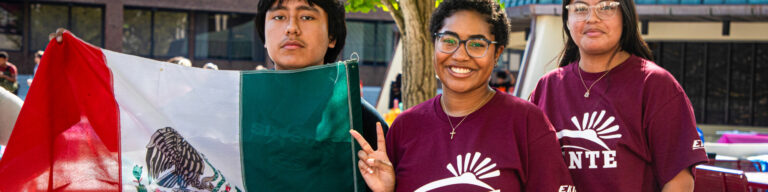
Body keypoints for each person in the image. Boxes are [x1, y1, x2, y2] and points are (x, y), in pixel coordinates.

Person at [350, 1, 575, 191]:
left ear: (497, 53)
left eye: (477, 44)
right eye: (448, 41)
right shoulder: (404, 127)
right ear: (434, 45)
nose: (460, 55)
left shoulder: (527, 123)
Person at [528, 0, 708, 191]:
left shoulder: (655, 85)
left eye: (605, 7)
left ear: (625, 16)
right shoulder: (547, 88)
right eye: (580, 8)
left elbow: (679, 182)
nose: (592, 18)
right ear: (567, 19)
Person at [255, 0, 388, 148]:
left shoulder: (362, 120)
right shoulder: (238, 108)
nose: (291, 28)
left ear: (331, 36)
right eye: (279, 17)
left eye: (307, 17)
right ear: (264, 34)